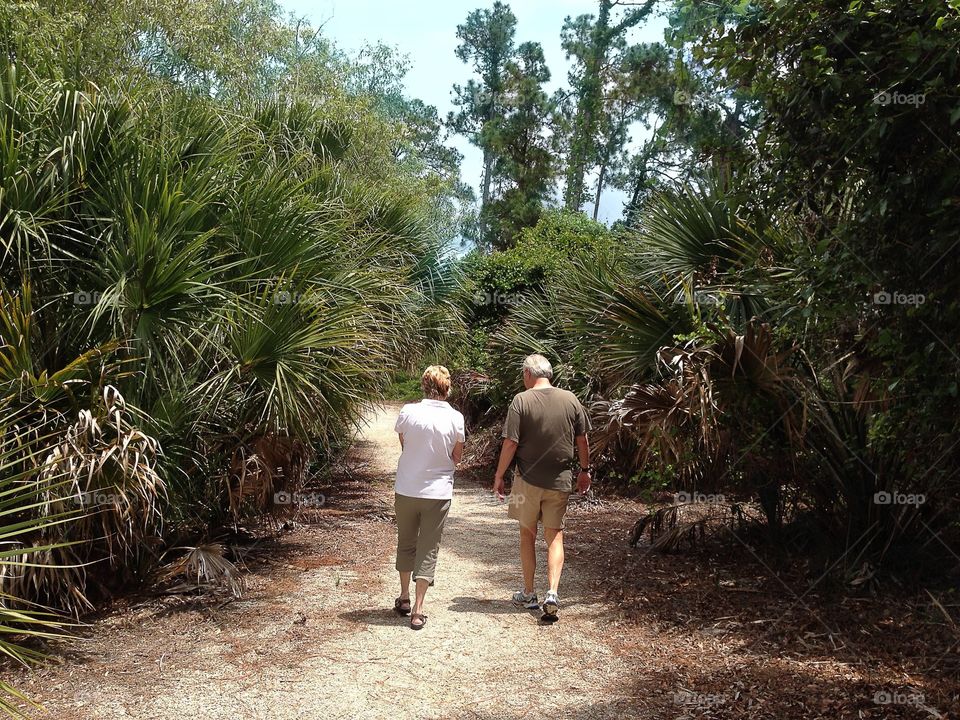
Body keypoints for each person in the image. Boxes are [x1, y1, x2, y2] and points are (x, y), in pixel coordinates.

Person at [492, 354, 591, 621]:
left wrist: (499, 475)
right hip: (560, 481)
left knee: (527, 535)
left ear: (528, 374)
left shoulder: (521, 401)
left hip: (527, 481)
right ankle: (553, 593)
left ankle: (528, 593)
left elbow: (511, 442)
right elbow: (582, 440)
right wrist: (584, 471)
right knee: (555, 536)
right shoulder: (571, 399)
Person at [393, 365, 465, 630]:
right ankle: (418, 609)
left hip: (406, 488)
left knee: (406, 541)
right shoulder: (455, 418)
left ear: (424, 386)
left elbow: (405, 445)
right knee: (428, 547)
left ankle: (404, 597)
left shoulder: (408, 412)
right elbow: (457, 457)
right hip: (438, 492)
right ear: (448, 388)